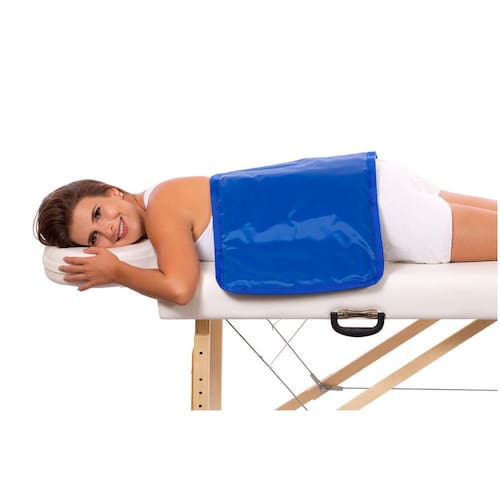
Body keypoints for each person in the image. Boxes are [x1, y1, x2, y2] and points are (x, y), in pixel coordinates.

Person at [34, 159, 497, 305]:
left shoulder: (161, 210)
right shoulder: (164, 195)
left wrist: (117, 273)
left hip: (373, 215)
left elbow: (179, 288)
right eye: (93, 240)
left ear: (113, 191)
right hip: (368, 184)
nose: (107, 231)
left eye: (98, 213)